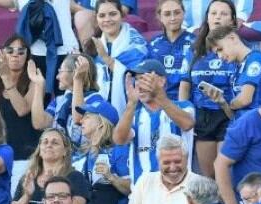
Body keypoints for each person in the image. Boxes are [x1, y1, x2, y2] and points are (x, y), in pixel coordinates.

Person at [112, 57, 194, 189]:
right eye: (137, 80)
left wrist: (158, 95)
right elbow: (119, 139)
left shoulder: (184, 106)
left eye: (144, 79)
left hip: (178, 190)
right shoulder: (134, 115)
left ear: (161, 81)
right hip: (143, 193)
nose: (139, 84)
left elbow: (187, 123)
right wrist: (131, 103)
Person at [0, 35, 49, 187]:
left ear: (27, 56)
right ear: (3, 54)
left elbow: (22, 109)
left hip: (26, 156)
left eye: (20, 52)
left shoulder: (35, 80)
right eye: (10, 51)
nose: (15, 55)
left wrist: (6, 79)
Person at [187, 0, 237, 176]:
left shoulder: (239, 49)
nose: (217, 17)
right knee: (208, 178)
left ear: (232, 20)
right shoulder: (194, 50)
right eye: (213, 13)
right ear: (207, 18)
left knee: (225, 175)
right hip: (203, 116)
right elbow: (185, 87)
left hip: (228, 115)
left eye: (223, 14)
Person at [8, 128, 89, 204]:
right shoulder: (28, 179)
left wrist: (54, 189)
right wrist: (27, 196)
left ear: (65, 151)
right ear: (40, 150)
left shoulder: (75, 177)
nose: (49, 145)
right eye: (45, 142)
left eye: (55, 143)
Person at [89, 0, 150, 115]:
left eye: (112, 14)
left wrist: (106, 58)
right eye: (102, 15)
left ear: (122, 15)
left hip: (133, 112)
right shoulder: (93, 44)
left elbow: (134, 77)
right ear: (96, 18)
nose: (107, 19)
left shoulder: (136, 43)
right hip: (100, 113)